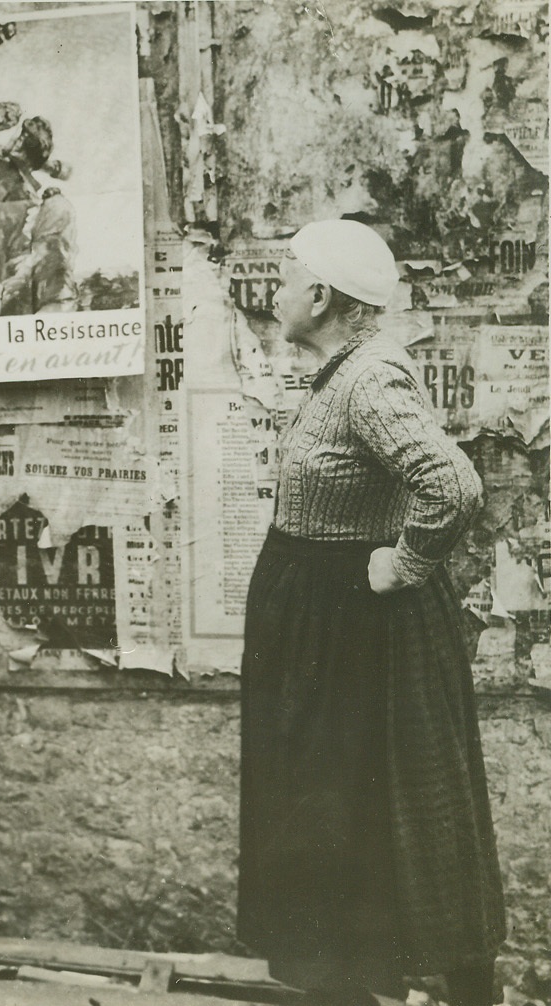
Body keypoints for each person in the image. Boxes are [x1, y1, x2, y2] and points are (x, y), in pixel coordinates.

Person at [237, 219, 505, 1006]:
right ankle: (343, 987)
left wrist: (407, 561)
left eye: (286, 277)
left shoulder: (371, 380)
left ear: (321, 296)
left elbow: (451, 487)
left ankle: (442, 988)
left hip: (354, 631)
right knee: (328, 820)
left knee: (393, 814)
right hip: (324, 630)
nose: (275, 292)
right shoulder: (342, 371)